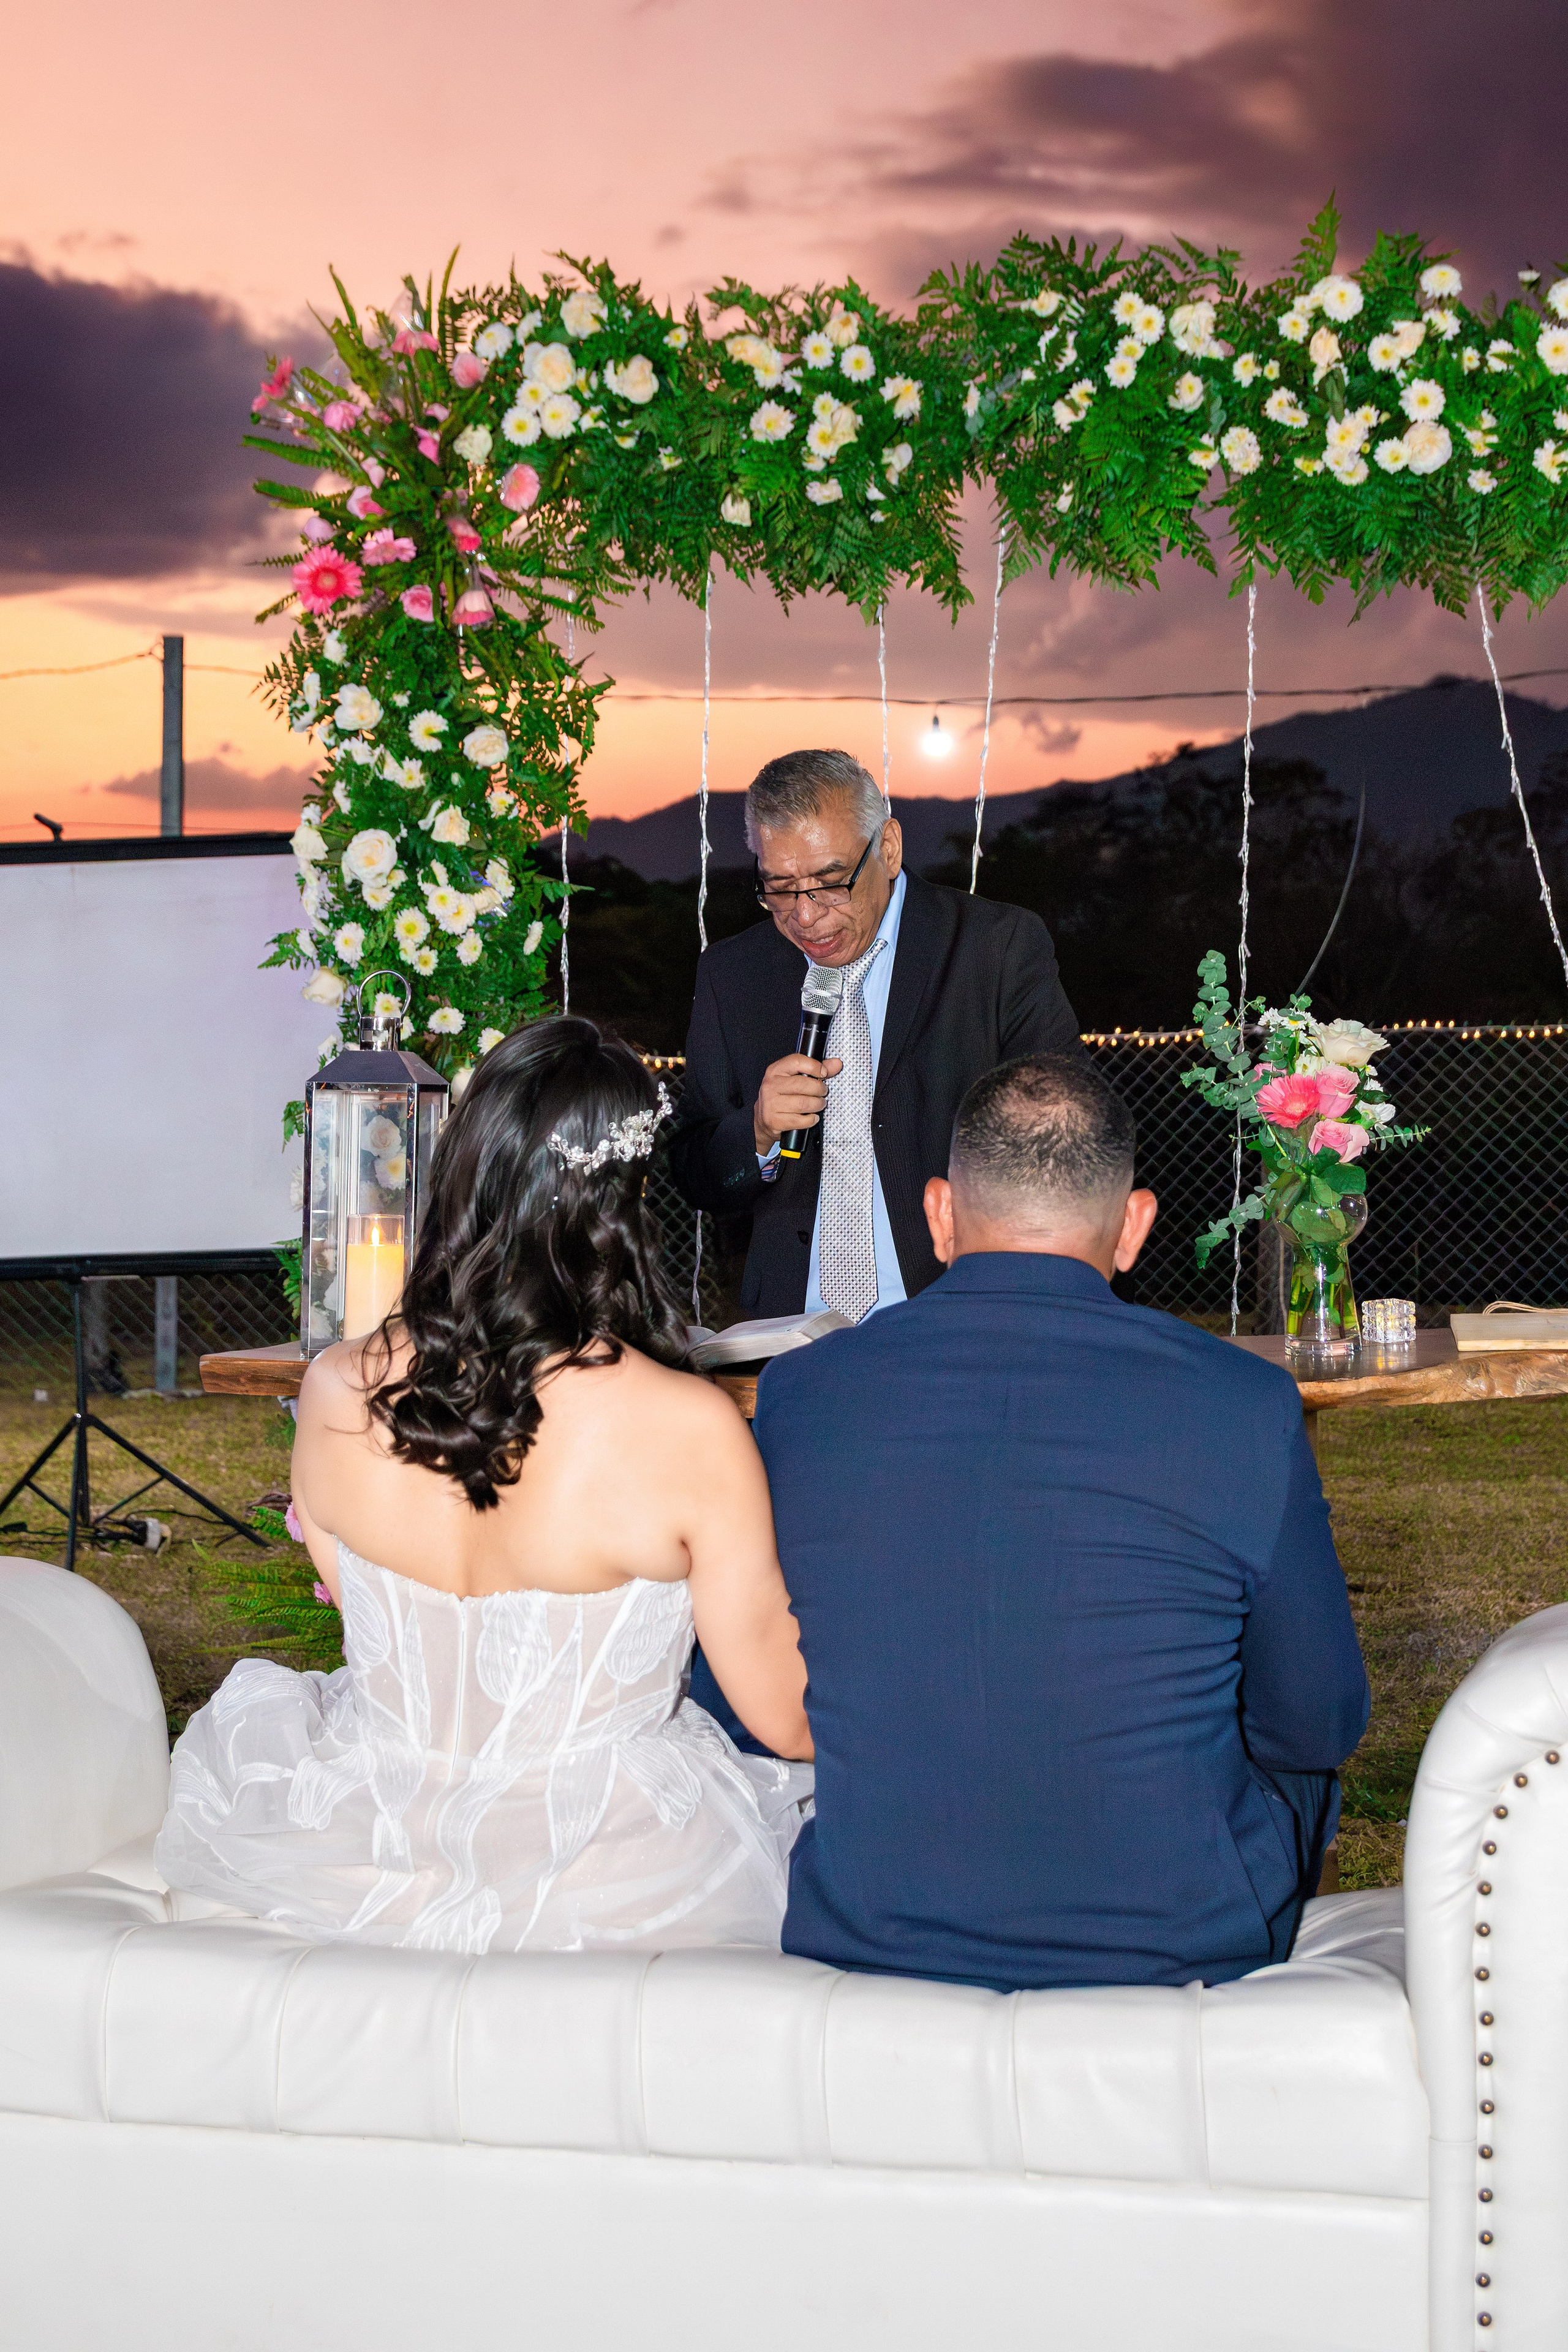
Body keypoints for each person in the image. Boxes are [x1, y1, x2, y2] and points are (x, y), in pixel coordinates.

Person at [156, 1019, 813, 1954]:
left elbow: (374, 1625)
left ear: (463, 1168)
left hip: (368, 1849)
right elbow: (787, 1718)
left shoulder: (336, 1388)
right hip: (615, 1868)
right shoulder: (686, 1426)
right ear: (620, 1202)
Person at [755, 1052, 1370, 1993]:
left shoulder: (801, 1393)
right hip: (1174, 1946)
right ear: (1134, 1228)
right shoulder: (1243, 1401)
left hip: (873, 1926)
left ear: (939, 1216)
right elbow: (1319, 1721)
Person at [668, 747, 1081, 1324]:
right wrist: (757, 1131)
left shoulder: (995, 949)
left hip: (960, 1319)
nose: (805, 915)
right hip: (791, 1338)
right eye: (780, 887)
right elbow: (694, 1170)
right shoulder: (732, 976)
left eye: (831, 882)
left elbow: (1070, 1139)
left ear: (888, 848)